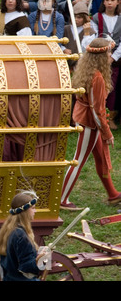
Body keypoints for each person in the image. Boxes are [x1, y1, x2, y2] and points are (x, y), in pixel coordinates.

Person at [61, 37, 121, 210]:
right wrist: (107, 133)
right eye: (109, 52)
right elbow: (97, 110)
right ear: (101, 56)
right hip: (89, 123)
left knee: (101, 157)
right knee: (78, 161)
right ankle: (63, 199)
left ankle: (112, 194)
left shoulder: (87, 71)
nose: (111, 55)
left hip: (85, 119)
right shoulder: (97, 78)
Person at [81, 0, 121, 130]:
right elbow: (91, 39)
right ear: (103, 2)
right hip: (98, 60)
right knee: (97, 87)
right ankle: (95, 115)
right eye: (107, 0)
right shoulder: (96, 18)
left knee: (111, 88)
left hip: (114, 62)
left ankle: (108, 117)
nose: (109, 3)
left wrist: (114, 57)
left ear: (118, 2)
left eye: (112, 0)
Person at [0, 191, 45, 281]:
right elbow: (28, 269)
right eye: (33, 208)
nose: (35, 211)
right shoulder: (20, 236)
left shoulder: (8, 229)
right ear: (25, 211)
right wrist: (43, 259)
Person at [62, 1, 95, 70]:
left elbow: (87, 49)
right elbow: (59, 43)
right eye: (74, 16)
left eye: (79, 17)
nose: (76, 19)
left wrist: (86, 33)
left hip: (80, 67)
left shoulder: (90, 31)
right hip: (64, 65)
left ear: (85, 18)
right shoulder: (66, 29)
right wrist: (64, 49)